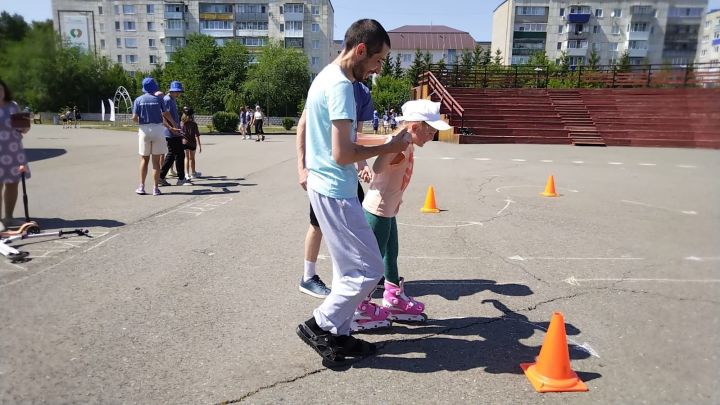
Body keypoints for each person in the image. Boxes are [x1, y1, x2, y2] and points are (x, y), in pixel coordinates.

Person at [295, 18, 411, 366]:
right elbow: (343, 153)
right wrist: (390, 143)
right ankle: (320, 324)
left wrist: (385, 142)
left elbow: (331, 139)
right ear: (360, 49)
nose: (376, 70)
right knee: (369, 269)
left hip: (326, 185)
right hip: (335, 189)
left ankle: (341, 335)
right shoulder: (342, 85)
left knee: (349, 270)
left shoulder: (324, 77)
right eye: (376, 61)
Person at [359, 99, 451, 324]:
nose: (433, 136)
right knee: (372, 264)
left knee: (391, 256)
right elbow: (379, 166)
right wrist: (391, 149)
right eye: (430, 131)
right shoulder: (400, 143)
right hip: (377, 211)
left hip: (388, 210)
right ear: (415, 127)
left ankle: (392, 298)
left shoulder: (407, 142)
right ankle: (359, 307)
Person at [296, 81, 374, 299]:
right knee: (317, 224)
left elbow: (355, 136)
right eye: (375, 61)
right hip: (324, 173)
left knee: (357, 222)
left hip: (346, 175)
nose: (376, 69)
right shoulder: (327, 84)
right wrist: (301, 168)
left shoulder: (362, 92)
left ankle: (353, 277)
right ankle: (308, 277)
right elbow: (302, 125)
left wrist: (362, 164)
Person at [131, 77, 175, 196]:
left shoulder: (138, 100)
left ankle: (141, 187)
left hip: (144, 130)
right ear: (154, 87)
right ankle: (155, 188)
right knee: (156, 161)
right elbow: (166, 114)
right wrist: (174, 125)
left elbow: (134, 118)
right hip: (158, 130)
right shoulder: (158, 99)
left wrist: (140, 122)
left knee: (144, 160)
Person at [0, 79, 32, 231]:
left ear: (4, 90)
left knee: (12, 184)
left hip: (13, 151)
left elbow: (22, 129)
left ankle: (9, 217)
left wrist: (25, 125)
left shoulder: (13, 105)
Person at [158, 81, 190, 186]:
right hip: (171, 132)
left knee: (172, 155)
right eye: (177, 91)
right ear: (172, 91)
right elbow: (163, 115)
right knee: (179, 154)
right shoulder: (167, 100)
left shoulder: (172, 99)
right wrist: (171, 128)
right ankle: (181, 178)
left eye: (179, 92)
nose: (179, 94)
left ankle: (161, 177)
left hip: (174, 131)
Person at [181, 106, 202, 180]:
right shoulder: (194, 124)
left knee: (186, 157)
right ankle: (193, 173)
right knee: (192, 158)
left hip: (184, 143)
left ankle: (186, 174)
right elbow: (197, 135)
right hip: (192, 143)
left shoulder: (182, 123)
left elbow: (180, 133)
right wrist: (199, 145)